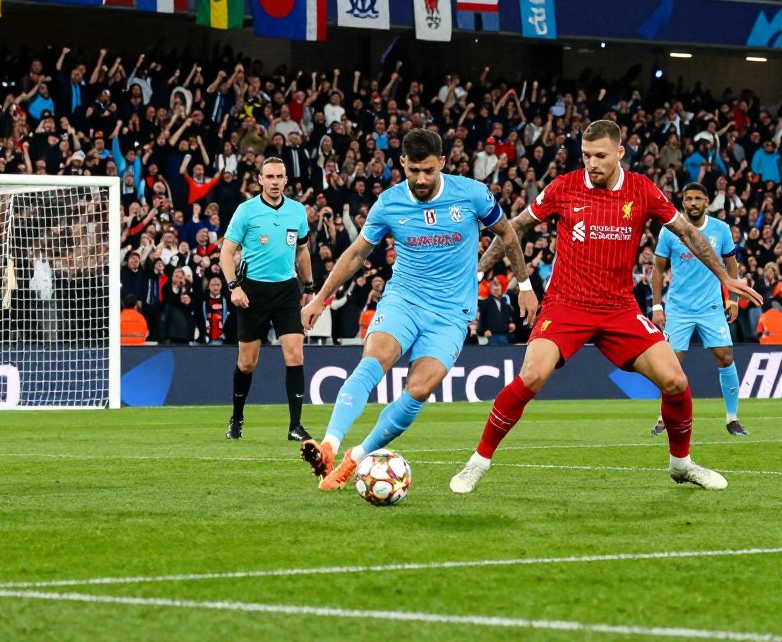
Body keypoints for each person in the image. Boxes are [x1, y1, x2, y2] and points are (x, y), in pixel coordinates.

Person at [449, 120, 761, 496]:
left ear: (619, 153)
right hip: (566, 304)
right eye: (586, 155)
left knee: (676, 381)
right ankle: (477, 462)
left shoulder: (642, 190)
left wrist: (725, 279)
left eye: (599, 155)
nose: (592, 163)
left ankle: (681, 464)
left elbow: (690, 233)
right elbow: (513, 227)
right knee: (532, 375)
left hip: (619, 308)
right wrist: (479, 272)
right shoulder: (564, 187)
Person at [298, 128, 536, 490]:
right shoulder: (389, 203)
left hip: (451, 314)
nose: (421, 179)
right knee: (372, 361)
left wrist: (524, 284)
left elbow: (507, 233)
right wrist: (319, 298)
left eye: (428, 170)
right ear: (402, 164)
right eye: (414, 171)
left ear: (441, 163)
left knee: (420, 389)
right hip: (404, 300)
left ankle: (355, 458)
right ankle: (329, 444)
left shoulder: (471, 194)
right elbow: (357, 253)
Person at [219, 156, 314, 442]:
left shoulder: (297, 211)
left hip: (286, 290)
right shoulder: (246, 211)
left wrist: (309, 287)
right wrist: (234, 286)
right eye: (269, 177)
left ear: (286, 179)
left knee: (295, 354)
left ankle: (295, 426)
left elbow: (302, 252)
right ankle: (237, 418)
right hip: (252, 291)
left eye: (279, 177)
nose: (275, 182)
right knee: (247, 362)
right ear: (260, 180)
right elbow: (226, 252)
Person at [650, 182, 752, 437]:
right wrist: (656, 306)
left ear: (707, 202)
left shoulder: (721, 229)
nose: (693, 203)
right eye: (688, 198)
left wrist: (733, 300)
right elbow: (658, 271)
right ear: (682, 202)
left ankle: (732, 419)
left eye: (698, 198)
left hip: (711, 306)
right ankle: (665, 416)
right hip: (679, 308)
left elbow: (732, 266)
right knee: (671, 364)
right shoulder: (669, 231)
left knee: (725, 356)